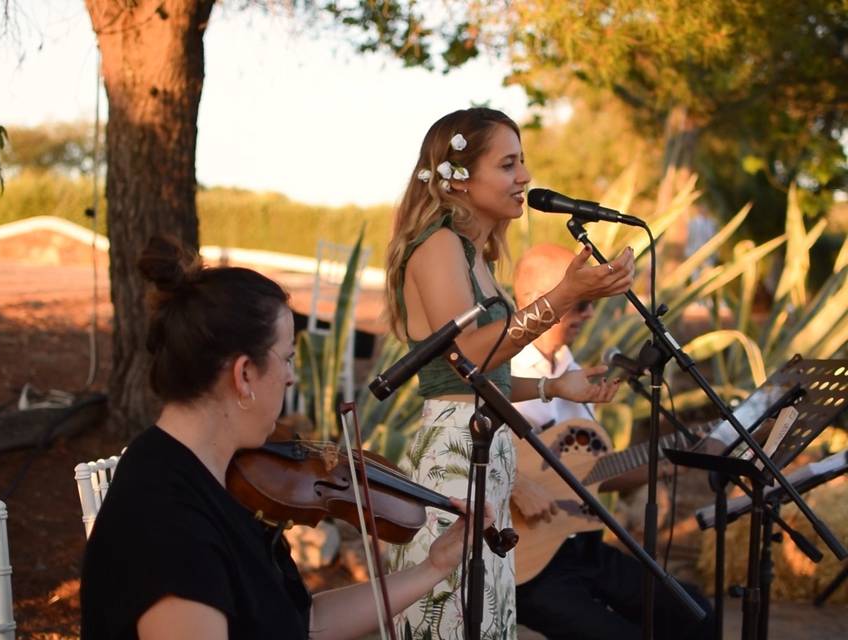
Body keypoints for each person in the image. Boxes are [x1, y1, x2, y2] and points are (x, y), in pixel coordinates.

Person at [80, 236, 494, 640]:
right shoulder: (168, 522)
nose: (292, 376)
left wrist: (433, 567)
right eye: (287, 358)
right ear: (244, 375)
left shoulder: (227, 479)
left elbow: (305, 621)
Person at [383, 107, 636, 640]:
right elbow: (472, 355)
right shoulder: (439, 246)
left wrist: (550, 386)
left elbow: (474, 376)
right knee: (447, 618)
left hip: (487, 451)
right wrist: (564, 296)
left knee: (487, 620)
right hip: (453, 455)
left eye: (523, 162)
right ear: (459, 176)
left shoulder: (476, 256)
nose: (524, 177)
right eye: (508, 164)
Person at [509, 244, 716, 640]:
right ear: (539, 301)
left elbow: (591, 475)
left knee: (694, 612)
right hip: (526, 562)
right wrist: (518, 484)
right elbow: (464, 448)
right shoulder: (503, 373)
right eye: (580, 302)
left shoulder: (574, 370)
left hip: (583, 546)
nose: (589, 314)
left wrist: (667, 459)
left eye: (592, 304)